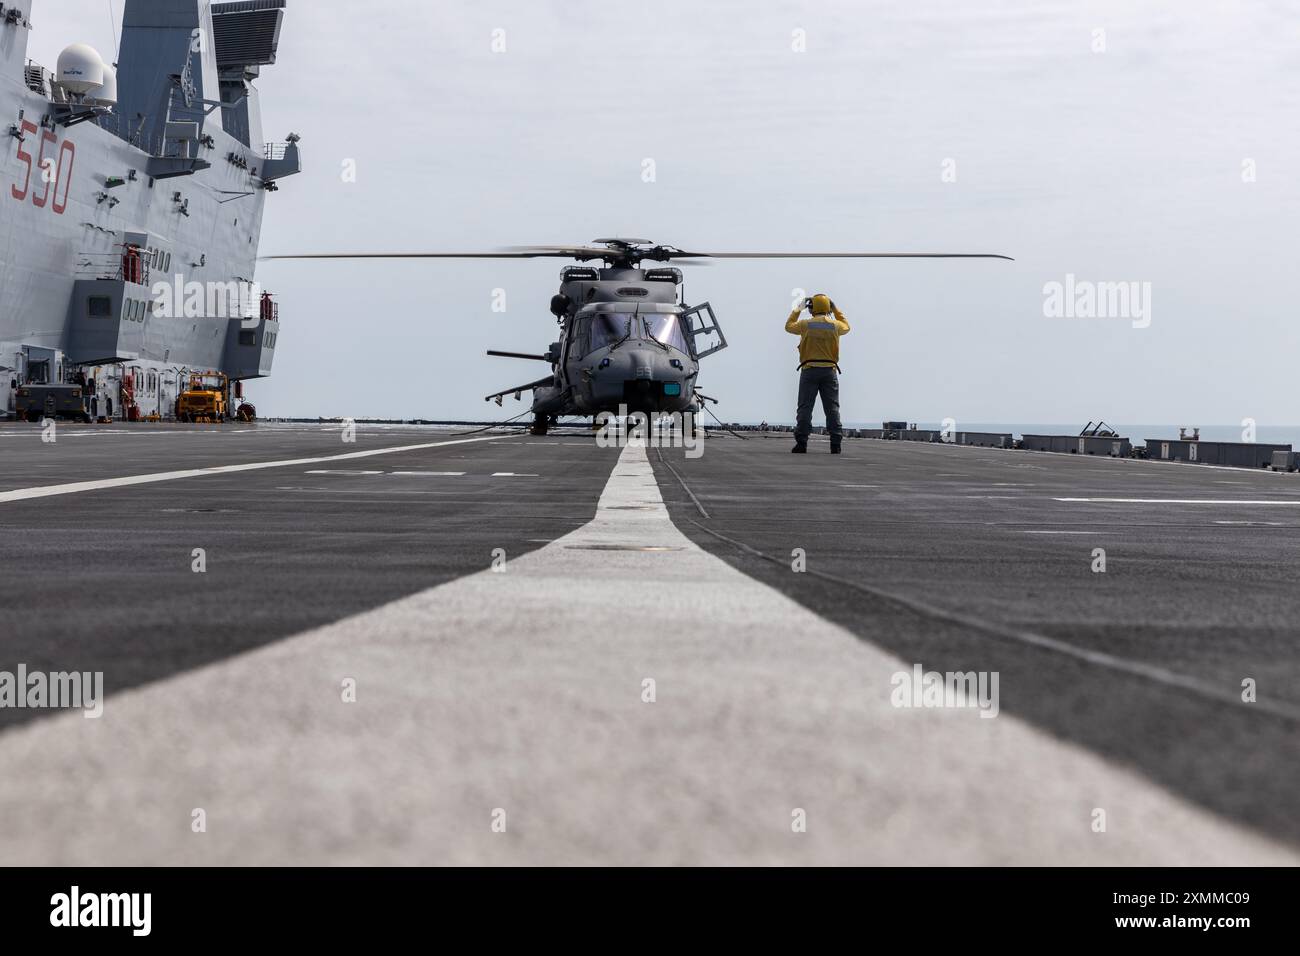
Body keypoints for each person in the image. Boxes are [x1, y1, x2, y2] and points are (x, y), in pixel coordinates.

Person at [785, 293, 850, 453]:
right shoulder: (835, 325)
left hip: (809, 370)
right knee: (832, 409)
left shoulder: (806, 324)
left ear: (811, 308)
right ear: (827, 307)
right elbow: (846, 326)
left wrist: (799, 307)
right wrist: (835, 309)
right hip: (829, 371)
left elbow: (789, 326)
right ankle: (836, 444)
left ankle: (802, 443)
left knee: (805, 408)